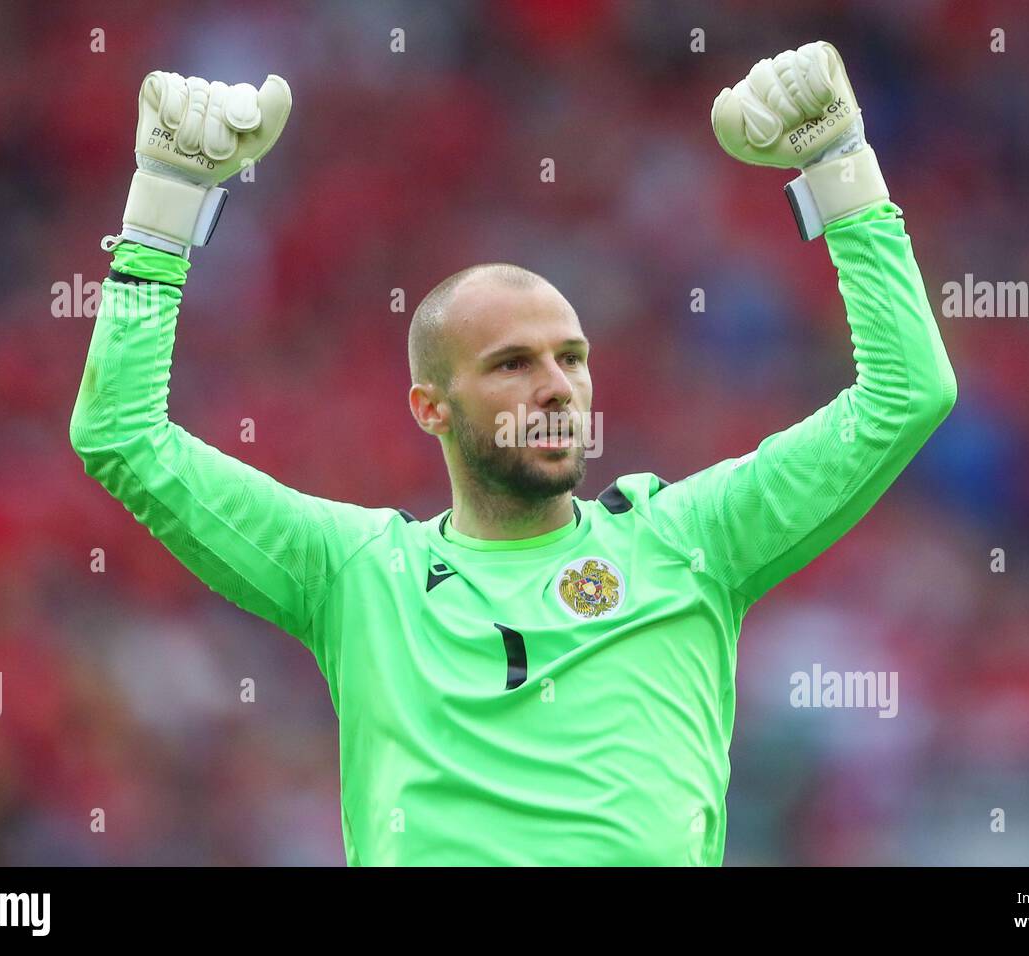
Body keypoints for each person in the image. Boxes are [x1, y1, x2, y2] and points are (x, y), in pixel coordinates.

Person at [70, 43, 956, 866]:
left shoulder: (690, 541)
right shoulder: (353, 574)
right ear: (432, 408)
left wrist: (841, 170)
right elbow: (121, 437)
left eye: (571, 358)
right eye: (512, 365)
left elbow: (906, 394)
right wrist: (163, 209)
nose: (556, 386)